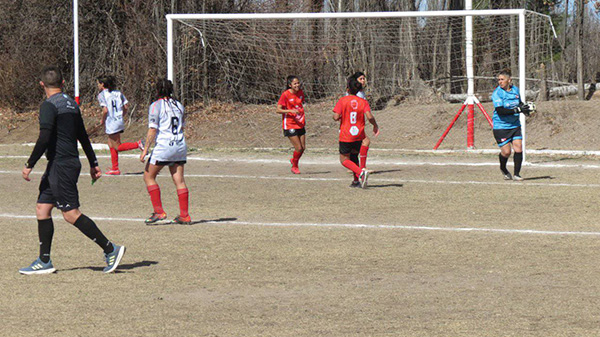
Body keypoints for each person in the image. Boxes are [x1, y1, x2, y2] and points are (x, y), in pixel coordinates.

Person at [19, 66, 125, 275]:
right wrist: (93, 162)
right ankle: (44, 260)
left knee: (70, 214)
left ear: (42, 84)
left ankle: (111, 249)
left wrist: (29, 164)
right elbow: (83, 136)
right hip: (61, 164)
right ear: (63, 83)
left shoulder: (49, 106)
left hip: (62, 164)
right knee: (42, 208)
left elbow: (44, 137)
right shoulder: (71, 104)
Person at [140, 79, 191, 225]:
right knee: (179, 180)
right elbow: (182, 127)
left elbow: (153, 129)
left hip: (164, 146)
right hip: (180, 145)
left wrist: (145, 150)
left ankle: (159, 212)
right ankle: (184, 215)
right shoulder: (179, 105)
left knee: (148, 176)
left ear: (157, 90)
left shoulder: (156, 106)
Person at [333, 77, 379, 188]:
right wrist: (375, 125)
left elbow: (335, 117)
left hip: (346, 134)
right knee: (354, 156)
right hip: (359, 134)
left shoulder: (342, 100)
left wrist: (340, 115)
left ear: (347, 89)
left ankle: (361, 173)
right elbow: (369, 116)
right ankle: (356, 181)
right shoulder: (362, 102)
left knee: (344, 159)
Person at [96, 74, 144, 175]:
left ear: (103, 84)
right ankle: (115, 168)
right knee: (111, 144)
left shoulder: (102, 95)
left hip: (111, 122)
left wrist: (102, 120)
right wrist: (121, 115)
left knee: (117, 146)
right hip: (118, 120)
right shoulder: (118, 93)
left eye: (98, 83)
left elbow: (105, 110)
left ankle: (137, 144)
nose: (97, 85)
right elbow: (125, 106)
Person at [491, 70, 531, 181]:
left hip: (515, 125)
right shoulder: (497, 93)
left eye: (502, 79)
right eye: (498, 79)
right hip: (501, 127)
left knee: (518, 148)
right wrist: (518, 110)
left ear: (509, 80)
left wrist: (526, 110)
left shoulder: (515, 90)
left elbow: (520, 104)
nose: (500, 82)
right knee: (506, 152)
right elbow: (500, 111)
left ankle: (517, 174)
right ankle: (503, 168)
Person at [276, 75, 306, 174]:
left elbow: (299, 104)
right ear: (290, 85)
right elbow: (278, 110)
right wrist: (290, 111)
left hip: (300, 122)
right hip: (290, 124)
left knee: (303, 148)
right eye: (295, 83)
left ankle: (294, 160)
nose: (297, 85)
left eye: (298, 83)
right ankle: (295, 166)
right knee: (298, 148)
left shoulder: (300, 93)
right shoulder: (285, 95)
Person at [346, 72, 372, 181]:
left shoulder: (360, 92)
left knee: (360, 145)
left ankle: (358, 169)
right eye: (361, 79)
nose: (363, 81)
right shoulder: (356, 94)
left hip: (356, 124)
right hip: (352, 126)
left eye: (364, 79)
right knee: (364, 143)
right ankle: (360, 169)